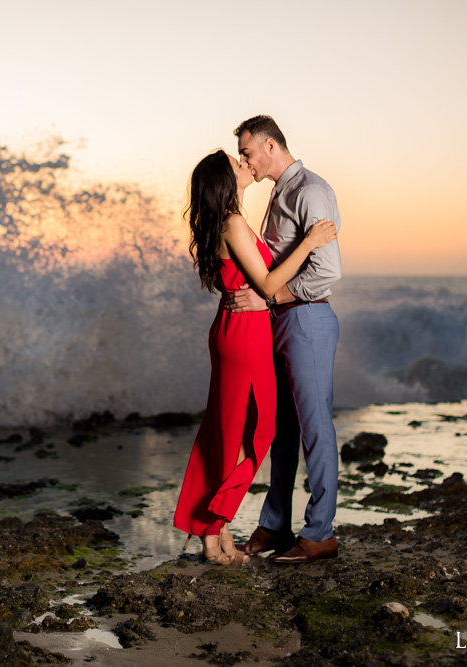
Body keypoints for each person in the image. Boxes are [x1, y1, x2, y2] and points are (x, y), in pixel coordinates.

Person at [173, 149, 337, 565]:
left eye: (244, 156)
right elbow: (265, 284)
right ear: (225, 181)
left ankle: (215, 534)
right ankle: (214, 526)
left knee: (228, 433)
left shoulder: (226, 221)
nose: (245, 164)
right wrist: (309, 243)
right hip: (244, 335)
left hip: (236, 331)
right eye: (237, 162)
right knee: (257, 433)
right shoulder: (232, 223)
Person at [229, 115, 343, 564]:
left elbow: (327, 270)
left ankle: (319, 534)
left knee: (315, 429)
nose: (244, 159)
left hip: (307, 321)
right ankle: (276, 525)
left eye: (248, 151)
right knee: (281, 430)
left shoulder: (311, 189)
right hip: (283, 320)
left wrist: (270, 299)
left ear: (271, 146)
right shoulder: (281, 191)